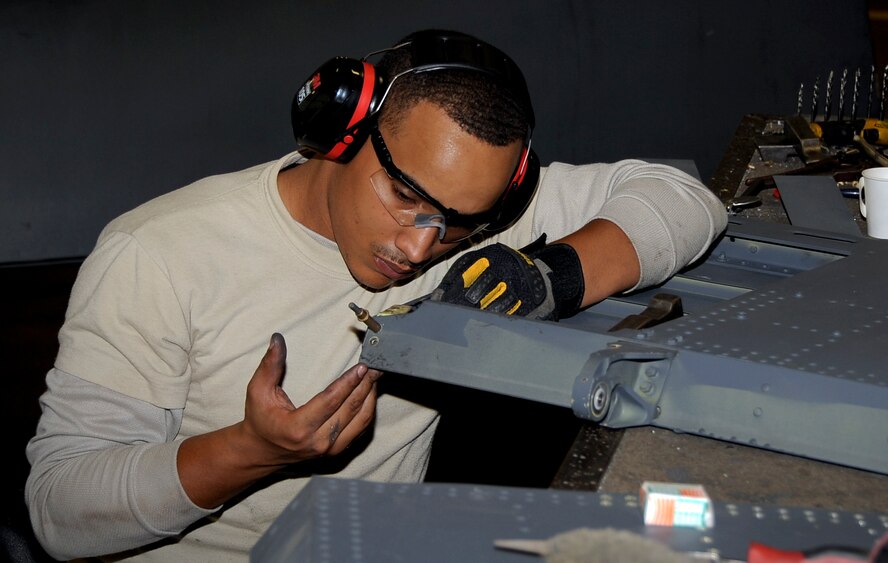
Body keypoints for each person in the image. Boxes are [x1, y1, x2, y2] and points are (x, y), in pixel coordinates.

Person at [25, 29, 727, 562]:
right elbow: (60, 513)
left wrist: (552, 276)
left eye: (459, 222)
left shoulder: (473, 217)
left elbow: (687, 201)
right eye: (404, 196)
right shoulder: (159, 253)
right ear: (340, 133)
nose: (421, 246)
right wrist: (249, 450)